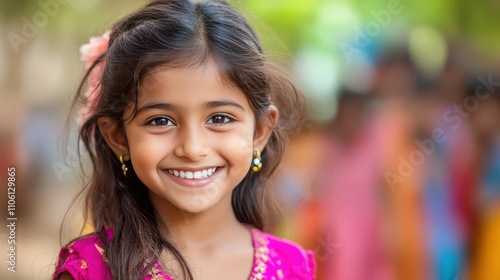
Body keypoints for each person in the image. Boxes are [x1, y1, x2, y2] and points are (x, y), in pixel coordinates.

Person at [52, 0, 314, 279]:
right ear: (118, 137)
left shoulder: (292, 265)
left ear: (259, 132)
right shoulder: (90, 268)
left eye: (220, 119)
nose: (192, 148)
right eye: (160, 121)